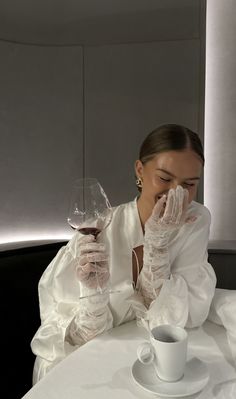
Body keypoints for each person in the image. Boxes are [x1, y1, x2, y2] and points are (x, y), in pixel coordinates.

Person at [31, 124, 216, 384]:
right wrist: (92, 294)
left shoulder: (195, 219)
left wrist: (158, 247)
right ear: (140, 170)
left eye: (189, 184)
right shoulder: (100, 229)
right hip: (98, 357)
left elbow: (181, 318)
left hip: (157, 356)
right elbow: (70, 338)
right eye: (164, 178)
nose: (176, 194)